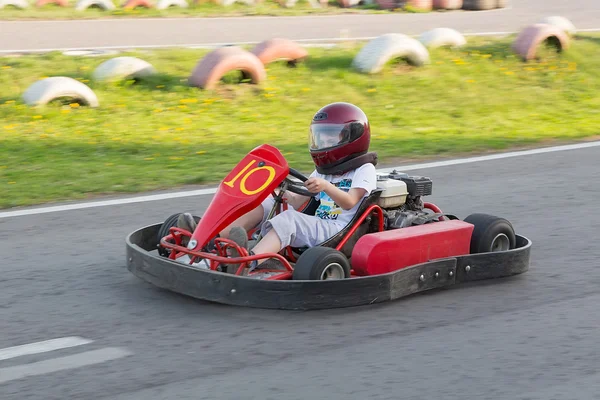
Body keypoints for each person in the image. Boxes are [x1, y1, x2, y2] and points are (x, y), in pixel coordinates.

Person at [177, 102, 378, 271]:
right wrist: (282, 190)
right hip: (317, 224)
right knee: (265, 203)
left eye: (330, 137)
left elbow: (351, 202)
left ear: (352, 138)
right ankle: (210, 241)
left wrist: (325, 186)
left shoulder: (363, 170)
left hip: (336, 230)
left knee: (289, 220)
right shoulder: (324, 170)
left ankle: (248, 263)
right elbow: (302, 199)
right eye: (320, 136)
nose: (323, 142)